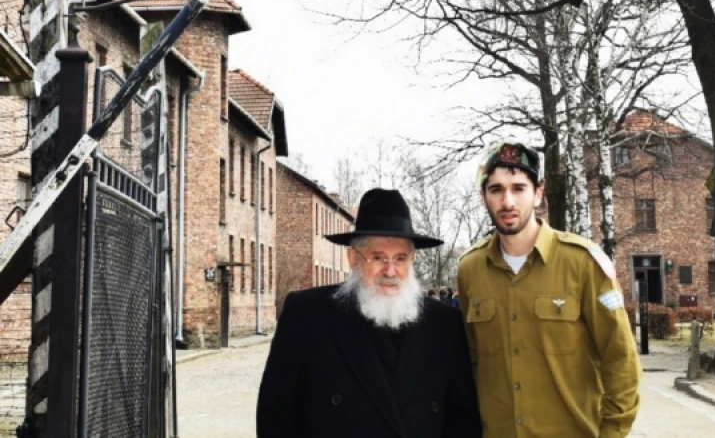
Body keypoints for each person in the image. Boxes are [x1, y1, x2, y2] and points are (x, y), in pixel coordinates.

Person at [257, 188, 481, 438]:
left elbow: (462, 420)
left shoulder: (444, 324)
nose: (390, 270)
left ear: (412, 260)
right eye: (378, 257)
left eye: (400, 258)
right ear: (353, 258)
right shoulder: (306, 315)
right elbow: (275, 418)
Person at [458, 141, 641, 438]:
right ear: (483, 197)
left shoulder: (582, 263)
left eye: (519, 188)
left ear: (538, 193)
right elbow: (474, 363)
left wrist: (611, 433)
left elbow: (621, 360)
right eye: (496, 190)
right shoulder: (470, 270)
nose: (507, 202)